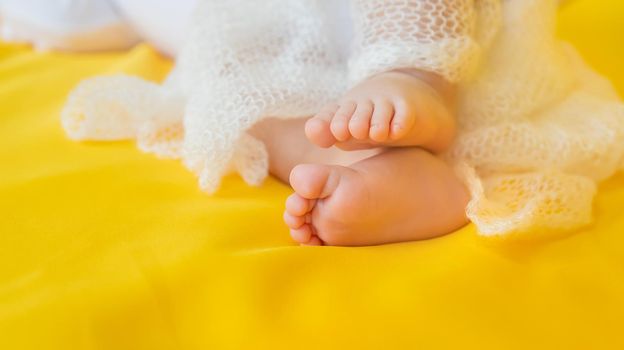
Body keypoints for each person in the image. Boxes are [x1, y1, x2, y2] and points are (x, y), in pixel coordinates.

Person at [7, 0, 623, 246]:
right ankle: (354, 164)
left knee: (234, 80)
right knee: (238, 95)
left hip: (437, 41)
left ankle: (413, 79)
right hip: (258, 36)